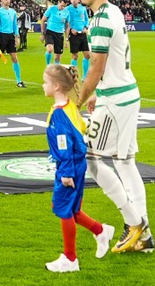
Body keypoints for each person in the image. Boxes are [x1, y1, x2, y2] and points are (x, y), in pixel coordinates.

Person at [75, 0, 153, 255]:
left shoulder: (98, 21)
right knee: (124, 163)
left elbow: (96, 66)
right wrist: (98, 91)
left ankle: (135, 224)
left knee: (91, 159)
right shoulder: (113, 11)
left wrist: (79, 100)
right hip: (125, 95)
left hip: (116, 101)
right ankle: (142, 233)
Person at [43, 62, 113, 273]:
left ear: (56, 86)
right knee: (73, 209)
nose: (42, 85)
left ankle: (70, 259)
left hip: (69, 167)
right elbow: (80, 130)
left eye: (45, 82)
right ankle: (101, 231)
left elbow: (65, 144)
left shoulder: (59, 114)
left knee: (64, 209)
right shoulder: (70, 107)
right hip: (76, 164)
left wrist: (65, 173)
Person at [0, 0, 25, 89]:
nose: (7, 1)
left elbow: (15, 25)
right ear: (1, 1)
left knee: (15, 58)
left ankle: (19, 81)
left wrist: (17, 37)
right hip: (1, 36)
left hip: (10, 36)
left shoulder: (13, 12)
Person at [66, 0, 90, 78]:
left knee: (87, 55)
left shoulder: (83, 8)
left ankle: (85, 76)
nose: (74, 1)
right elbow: (66, 21)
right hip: (73, 35)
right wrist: (71, 28)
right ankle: (74, 75)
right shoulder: (67, 9)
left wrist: (86, 27)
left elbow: (87, 20)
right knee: (75, 56)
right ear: (70, 0)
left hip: (82, 34)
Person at [42, 0, 69, 67]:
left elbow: (67, 26)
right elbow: (43, 20)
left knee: (57, 57)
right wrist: (42, 34)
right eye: (61, 5)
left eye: (64, 6)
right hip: (50, 32)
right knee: (50, 49)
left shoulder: (67, 12)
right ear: (58, 2)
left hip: (60, 34)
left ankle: (56, 71)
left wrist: (67, 39)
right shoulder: (51, 9)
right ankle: (48, 66)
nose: (62, 7)